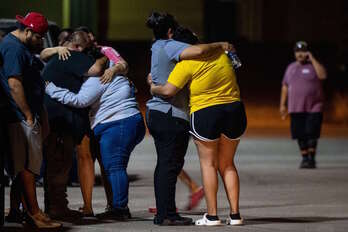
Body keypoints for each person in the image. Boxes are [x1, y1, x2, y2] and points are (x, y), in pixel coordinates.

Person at [150, 27, 246, 226]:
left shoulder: (186, 63)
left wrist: (152, 86)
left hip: (206, 112)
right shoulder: (222, 54)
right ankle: (235, 215)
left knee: (208, 164)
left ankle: (212, 216)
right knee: (227, 164)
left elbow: (168, 91)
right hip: (234, 109)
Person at [45, 59, 146, 220]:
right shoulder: (115, 72)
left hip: (117, 124)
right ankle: (117, 206)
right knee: (114, 167)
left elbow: (80, 101)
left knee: (115, 167)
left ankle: (120, 209)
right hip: (126, 122)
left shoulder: (97, 78)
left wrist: (51, 89)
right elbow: (123, 64)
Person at [0, 12, 61, 228]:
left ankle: (17, 211)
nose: (41, 41)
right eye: (39, 36)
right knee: (27, 167)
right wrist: (27, 114)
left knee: (24, 166)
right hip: (19, 117)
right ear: (27, 31)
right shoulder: (14, 48)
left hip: (25, 115)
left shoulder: (20, 46)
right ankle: (34, 214)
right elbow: (14, 83)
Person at [41, 30, 108, 220]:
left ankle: (54, 206)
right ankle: (57, 208)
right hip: (60, 120)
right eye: (86, 49)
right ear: (78, 46)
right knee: (60, 164)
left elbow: (44, 54)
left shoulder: (56, 57)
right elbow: (96, 70)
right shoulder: (73, 56)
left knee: (54, 163)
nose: (86, 54)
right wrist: (103, 60)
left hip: (50, 118)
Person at [280, 41, 327, 169]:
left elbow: (323, 75)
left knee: (312, 132)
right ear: (295, 53)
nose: (300, 54)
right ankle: (305, 158)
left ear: (307, 52)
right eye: (297, 51)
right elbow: (285, 86)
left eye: (303, 51)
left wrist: (312, 59)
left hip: (314, 106)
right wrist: (282, 105)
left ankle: (312, 158)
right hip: (295, 107)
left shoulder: (314, 66)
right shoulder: (290, 68)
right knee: (299, 133)